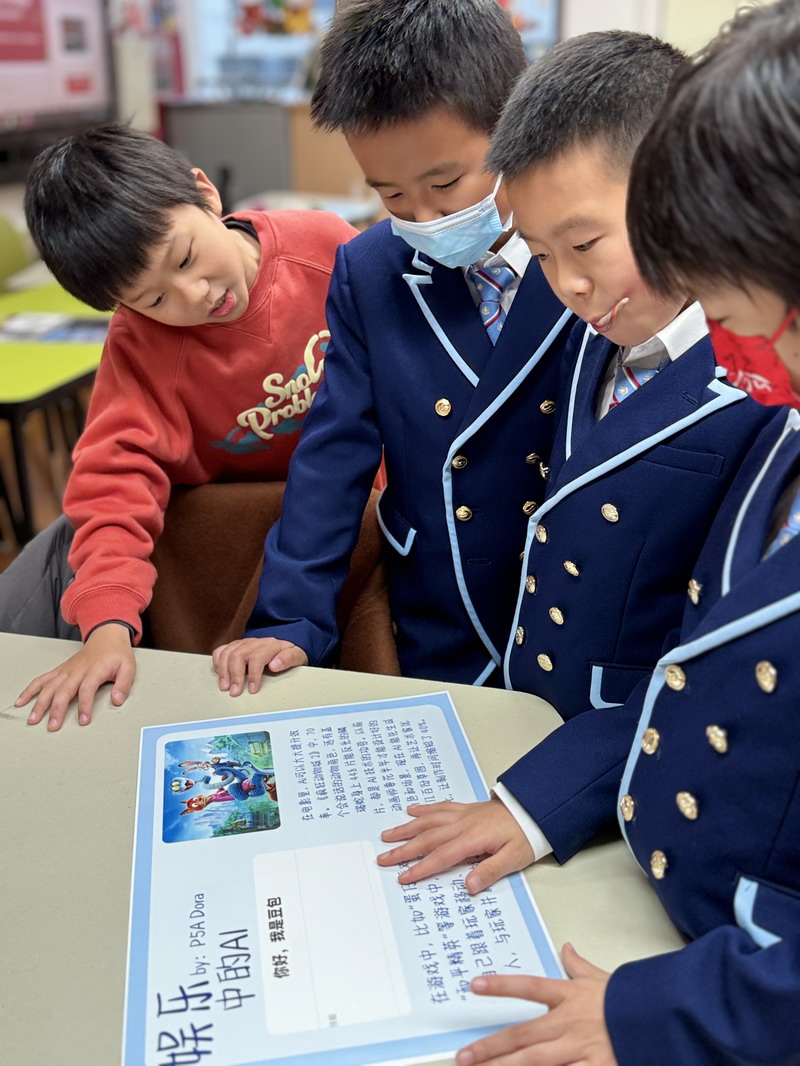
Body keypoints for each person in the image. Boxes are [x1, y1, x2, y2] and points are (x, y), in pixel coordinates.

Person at [411, 5, 800, 1064]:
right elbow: (692, 661)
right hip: (650, 870)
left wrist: (658, 1016)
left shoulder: (750, 384)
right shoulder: (775, 408)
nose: (724, 318)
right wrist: (545, 797)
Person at [211, 0, 575, 696]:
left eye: (445, 184)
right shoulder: (371, 269)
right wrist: (289, 617)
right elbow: (334, 453)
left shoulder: (589, 257)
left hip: (568, 602)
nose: (425, 218)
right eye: (391, 195)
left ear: (516, 126)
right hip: (440, 606)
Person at [6, 123, 356, 730]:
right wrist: (108, 628)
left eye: (186, 257)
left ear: (205, 193)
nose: (193, 296)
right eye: (154, 299)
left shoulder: (325, 249)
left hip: (351, 518)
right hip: (226, 533)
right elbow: (115, 480)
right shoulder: (142, 343)